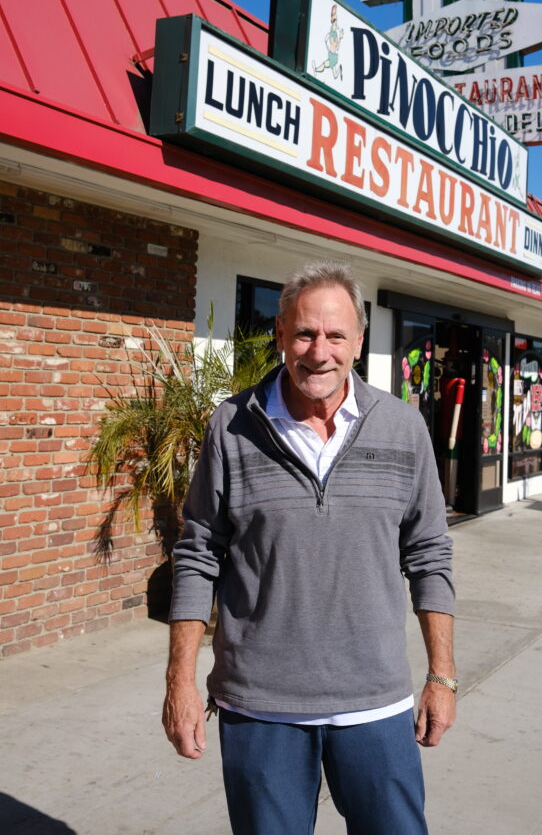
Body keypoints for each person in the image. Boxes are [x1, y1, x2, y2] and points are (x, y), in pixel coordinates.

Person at [163, 260, 456, 834]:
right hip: (259, 707)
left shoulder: (402, 428)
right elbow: (198, 553)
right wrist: (179, 681)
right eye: (304, 333)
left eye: (335, 335)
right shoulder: (231, 426)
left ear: (359, 341)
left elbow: (429, 555)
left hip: (375, 703)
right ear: (280, 335)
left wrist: (441, 676)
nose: (318, 351)